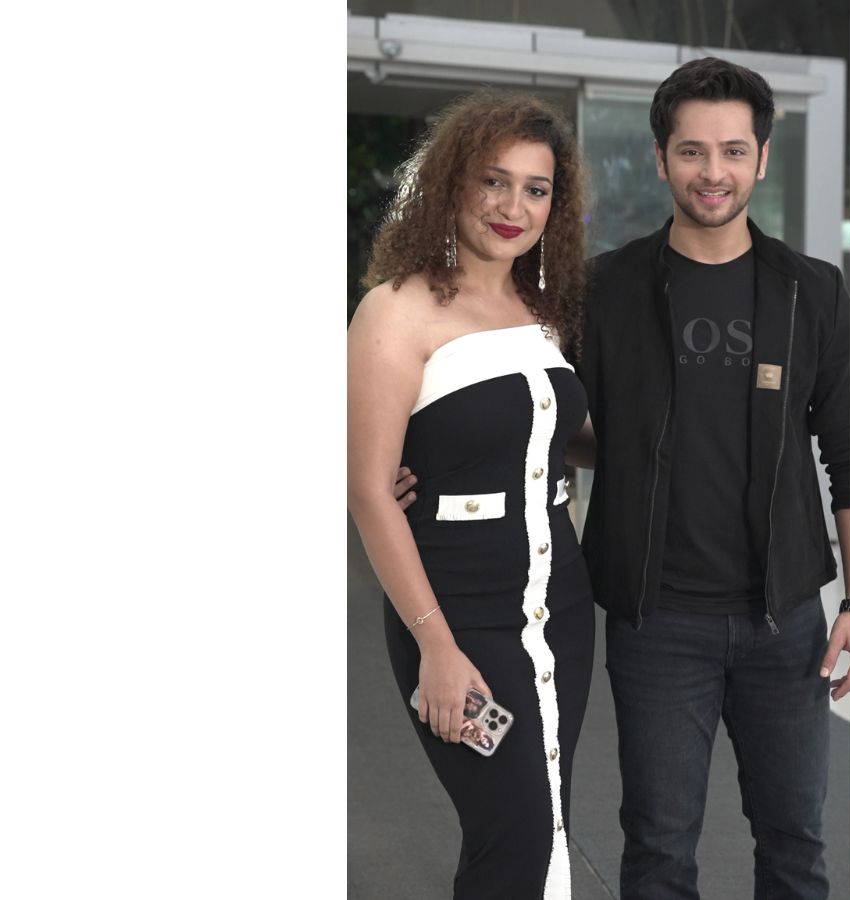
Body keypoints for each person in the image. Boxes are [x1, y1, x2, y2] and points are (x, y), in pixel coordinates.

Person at [576, 58, 850, 899]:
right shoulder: (604, 290)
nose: (713, 171)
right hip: (657, 617)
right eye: (692, 150)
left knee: (796, 844)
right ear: (660, 157)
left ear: (762, 159)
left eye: (734, 150)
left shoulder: (813, 291)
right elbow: (550, 423)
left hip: (787, 619)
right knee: (659, 848)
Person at [347, 91, 592, 899]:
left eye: (535, 188)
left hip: (559, 606)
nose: (513, 207)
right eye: (494, 180)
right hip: (457, 613)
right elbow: (369, 488)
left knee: (543, 824)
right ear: (453, 182)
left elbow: (553, 434)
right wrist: (438, 647)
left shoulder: (543, 310)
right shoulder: (395, 309)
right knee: (514, 831)